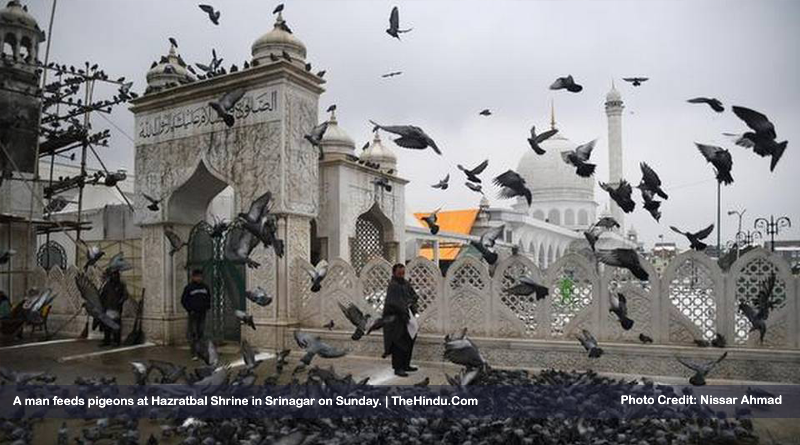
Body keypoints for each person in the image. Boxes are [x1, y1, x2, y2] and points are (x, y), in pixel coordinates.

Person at [382, 263, 420, 377]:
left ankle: (406, 365)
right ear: (394, 273)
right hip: (396, 321)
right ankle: (398, 368)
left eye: (403, 273)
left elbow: (414, 296)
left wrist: (409, 303)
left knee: (409, 340)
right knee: (398, 344)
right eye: (399, 273)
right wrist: (404, 305)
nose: (401, 275)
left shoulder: (406, 283)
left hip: (407, 318)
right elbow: (392, 303)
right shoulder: (393, 286)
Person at [181, 269, 211, 360]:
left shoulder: (205, 287)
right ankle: (194, 353)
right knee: (193, 333)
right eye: (197, 276)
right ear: (193, 277)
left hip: (202, 313)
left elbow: (208, 298)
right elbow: (183, 301)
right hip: (193, 314)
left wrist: (207, 307)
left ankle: (201, 352)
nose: (199, 278)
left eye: (200, 276)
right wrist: (190, 310)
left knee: (201, 333)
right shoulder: (189, 288)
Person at [98, 270, 129, 347]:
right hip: (107, 308)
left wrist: (120, 301)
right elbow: (102, 295)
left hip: (116, 308)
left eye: (116, 275)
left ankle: (116, 341)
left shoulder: (121, 285)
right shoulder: (107, 285)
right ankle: (106, 340)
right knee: (106, 326)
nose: (114, 276)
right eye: (113, 275)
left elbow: (125, 295)